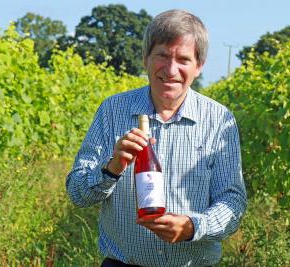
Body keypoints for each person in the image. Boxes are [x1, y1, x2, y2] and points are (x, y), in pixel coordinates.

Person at [66, 9, 247, 267]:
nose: (171, 69)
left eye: (183, 59)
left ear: (199, 66)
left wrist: (192, 227)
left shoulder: (219, 120)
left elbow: (233, 201)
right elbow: (77, 192)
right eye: (162, 55)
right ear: (145, 59)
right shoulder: (113, 110)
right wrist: (111, 168)